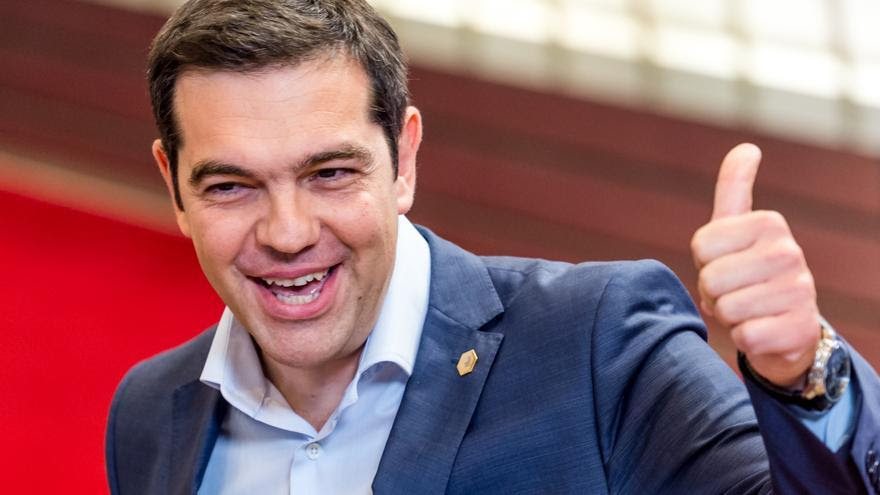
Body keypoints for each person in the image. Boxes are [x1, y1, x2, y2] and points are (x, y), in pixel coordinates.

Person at [105, 1, 880, 493]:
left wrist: (802, 374)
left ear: (403, 159)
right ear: (172, 184)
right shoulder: (149, 415)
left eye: (330, 172)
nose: (288, 232)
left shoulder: (596, 346)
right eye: (231, 186)